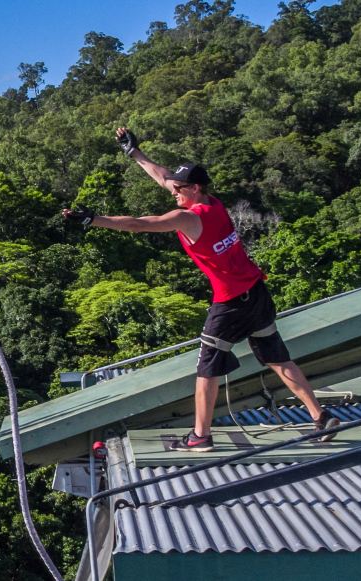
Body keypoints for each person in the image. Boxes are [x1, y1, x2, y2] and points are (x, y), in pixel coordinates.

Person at [61, 128, 339, 452]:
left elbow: (140, 224)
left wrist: (94, 220)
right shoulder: (213, 203)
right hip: (256, 292)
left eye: (179, 189)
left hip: (231, 303)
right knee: (277, 358)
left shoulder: (188, 219)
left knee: (207, 369)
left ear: (194, 188)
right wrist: (134, 153)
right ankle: (321, 417)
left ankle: (200, 436)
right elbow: (163, 177)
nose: (173, 191)